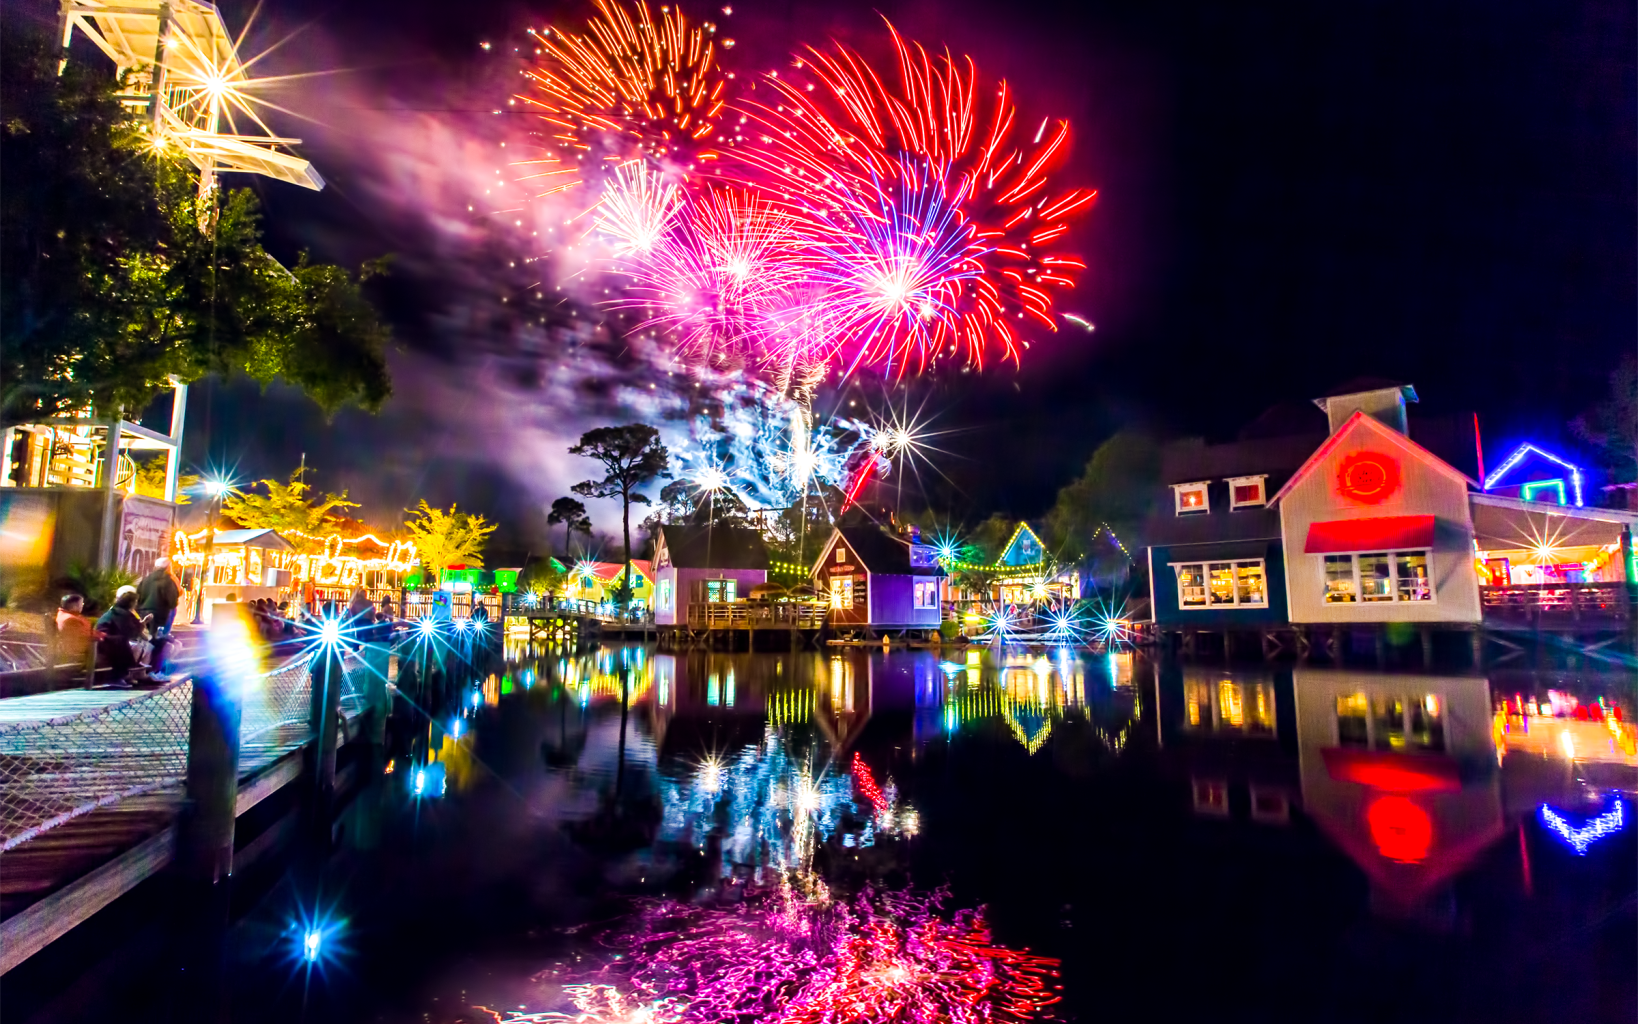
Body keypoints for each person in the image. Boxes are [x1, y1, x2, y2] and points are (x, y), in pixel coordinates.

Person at [136, 557, 180, 679]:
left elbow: (139, 596)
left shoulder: (146, 579)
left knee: (147, 640)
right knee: (160, 641)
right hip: (161, 614)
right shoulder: (168, 581)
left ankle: (144, 670)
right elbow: (172, 600)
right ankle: (155, 670)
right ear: (167, 567)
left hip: (144, 613)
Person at [95, 586, 147, 689]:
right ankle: (118, 677)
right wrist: (141, 626)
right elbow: (129, 631)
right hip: (104, 641)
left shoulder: (120, 611)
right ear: (130, 602)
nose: (136, 604)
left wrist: (142, 624)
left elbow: (131, 630)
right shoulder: (120, 613)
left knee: (128, 643)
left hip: (108, 639)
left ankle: (127, 675)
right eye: (135, 601)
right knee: (123, 643)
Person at [54, 593, 93, 671]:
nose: (82, 605)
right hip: (77, 656)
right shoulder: (71, 620)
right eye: (81, 603)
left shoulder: (66, 615)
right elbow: (85, 636)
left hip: (75, 650)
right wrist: (103, 636)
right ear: (74, 606)